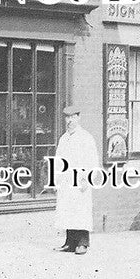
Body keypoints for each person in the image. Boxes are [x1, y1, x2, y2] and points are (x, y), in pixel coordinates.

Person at [54, 105, 98, 254]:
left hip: (80, 179)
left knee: (81, 210)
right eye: (68, 117)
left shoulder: (86, 137)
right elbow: (59, 160)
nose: (70, 121)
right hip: (66, 179)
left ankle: (82, 243)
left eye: (73, 117)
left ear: (78, 118)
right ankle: (70, 242)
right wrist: (57, 178)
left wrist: (87, 178)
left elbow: (92, 160)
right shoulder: (63, 138)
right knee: (68, 210)